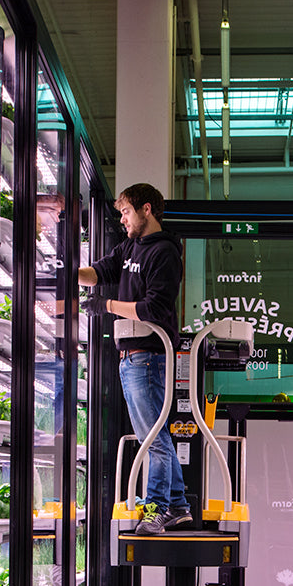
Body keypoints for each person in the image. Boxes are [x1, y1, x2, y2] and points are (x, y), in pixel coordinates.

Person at [78, 183, 190, 535]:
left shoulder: (165, 253)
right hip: (131, 356)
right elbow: (99, 273)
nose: (122, 219)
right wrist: (67, 274)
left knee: (153, 438)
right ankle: (178, 506)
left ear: (146, 209)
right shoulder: (129, 247)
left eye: (126, 212)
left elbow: (154, 308)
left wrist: (106, 305)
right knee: (153, 436)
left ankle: (157, 509)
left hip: (150, 357)